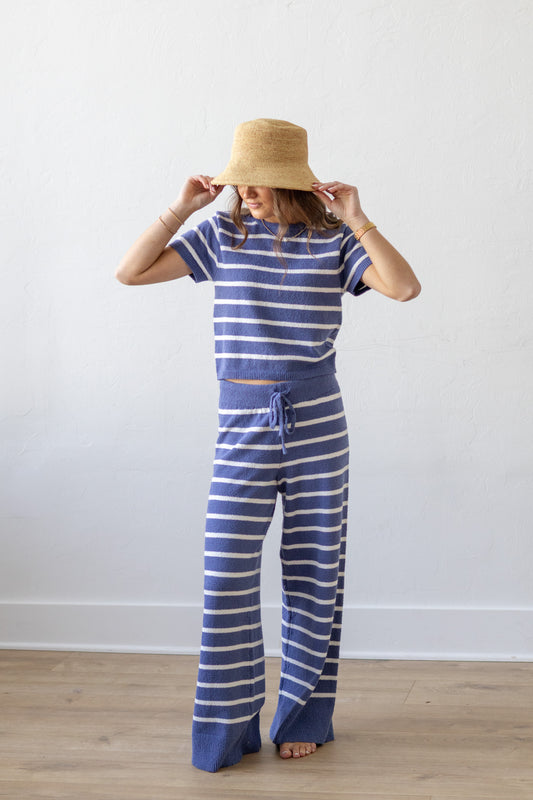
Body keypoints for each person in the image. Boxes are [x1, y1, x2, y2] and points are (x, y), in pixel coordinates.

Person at [116, 118, 421, 772]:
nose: (242, 191)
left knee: (315, 574)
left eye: (254, 182)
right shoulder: (224, 235)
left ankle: (303, 715)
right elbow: (130, 272)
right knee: (225, 573)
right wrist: (181, 206)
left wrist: (359, 218)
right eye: (237, 181)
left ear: (288, 183)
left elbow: (403, 286)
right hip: (242, 422)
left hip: (316, 422)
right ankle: (228, 727)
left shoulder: (332, 241)